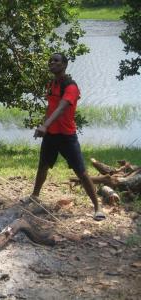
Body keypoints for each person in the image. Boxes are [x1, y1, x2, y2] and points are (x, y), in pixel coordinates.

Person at [30, 52, 105, 221]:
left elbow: (62, 107)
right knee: (43, 166)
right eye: (50, 60)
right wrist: (43, 126)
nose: (52, 63)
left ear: (64, 65)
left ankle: (98, 207)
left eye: (56, 61)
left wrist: (45, 125)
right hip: (51, 135)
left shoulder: (71, 87)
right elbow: (50, 108)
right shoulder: (51, 84)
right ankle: (34, 196)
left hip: (66, 136)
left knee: (81, 172)